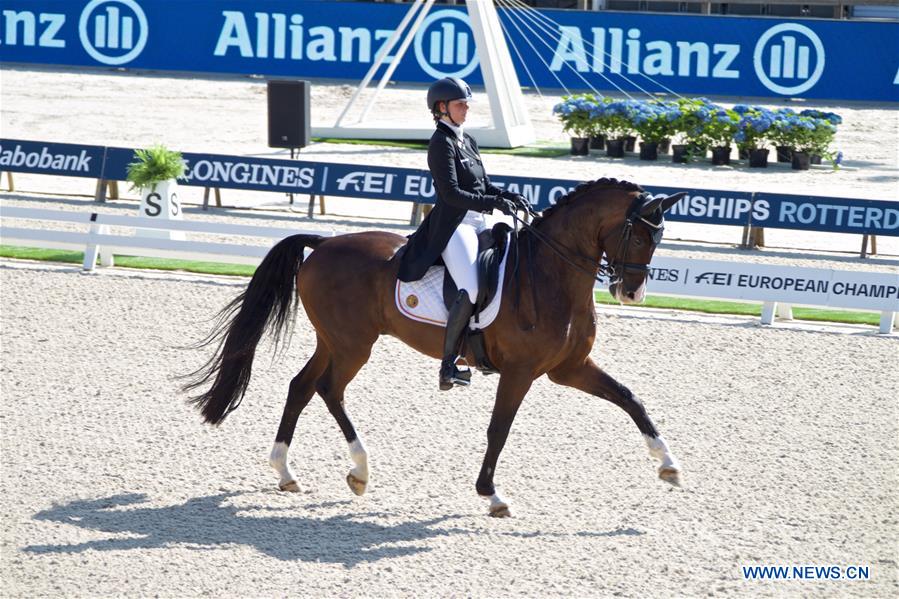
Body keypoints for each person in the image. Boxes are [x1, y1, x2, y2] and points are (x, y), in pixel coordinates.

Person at [397, 77, 528, 391]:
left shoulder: (467, 139)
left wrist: (506, 195)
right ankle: (448, 364)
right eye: (460, 104)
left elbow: (483, 185)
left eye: (467, 104)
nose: (466, 109)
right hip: (455, 225)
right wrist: (492, 203)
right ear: (442, 108)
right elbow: (451, 194)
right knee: (470, 287)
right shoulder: (440, 143)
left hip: (479, 222)